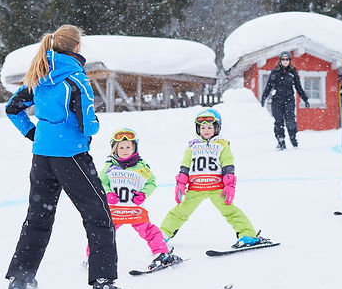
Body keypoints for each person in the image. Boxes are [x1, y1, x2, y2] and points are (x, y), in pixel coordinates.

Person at [2, 24, 141, 289]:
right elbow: (88, 125)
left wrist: (35, 133)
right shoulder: (76, 79)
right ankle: (104, 288)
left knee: (37, 219)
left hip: (42, 157)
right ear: (77, 48)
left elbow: (13, 108)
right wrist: (91, 126)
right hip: (72, 157)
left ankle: (19, 282)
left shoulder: (39, 75)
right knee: (99, 217)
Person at [159, 108, 269, 247]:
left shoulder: (222, 144)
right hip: (196, 187)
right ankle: (162, 234)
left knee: (230, 211)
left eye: (209, 127)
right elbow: (185, 165)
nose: (206, 130)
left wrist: (229, 184)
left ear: (217, 128)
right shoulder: (193, 145)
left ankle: (248, 234)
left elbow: (227, 164)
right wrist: (180, 183)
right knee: (180, 211)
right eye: (202, 127)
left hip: (217, 187)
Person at [96, 127, 181, 272]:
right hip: (115, 211)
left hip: (135, 211)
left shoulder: (142, 167)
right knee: (102, 232)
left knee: (149, 231)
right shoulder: (109, 166)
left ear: (134, 148)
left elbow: (151, 183)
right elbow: (101, 182)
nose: (125, 150)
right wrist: (108, 193)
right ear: (114, 149)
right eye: (121, 147)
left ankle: (162, 254)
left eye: (128, 147)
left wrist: (143, 194)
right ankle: (94, 257)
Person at [260, 51, 310, 150]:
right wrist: (263, 97)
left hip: (289, 100)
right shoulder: (275, 72)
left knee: (290, 120)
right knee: (278, 122)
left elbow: (298, 87)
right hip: (277, 100)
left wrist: (305, 99)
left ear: (290, 60)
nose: (285, 61)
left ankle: (293, 138)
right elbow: (269, 86)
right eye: (283, 59)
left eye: (287, 59)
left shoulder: (293, 72)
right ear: (280, 60)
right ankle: (281, 141)